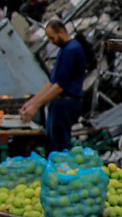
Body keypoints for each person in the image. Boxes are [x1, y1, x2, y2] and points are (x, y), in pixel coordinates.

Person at [19, 18, 86, 153]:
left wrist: (36, 106)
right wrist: (31, 103)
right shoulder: (64, 50)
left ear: (61, 32)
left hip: (66, 102)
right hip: (58, 104)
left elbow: (59, 85)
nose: (51, 41)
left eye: (52, 37)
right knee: (51, 142)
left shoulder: (72, 50)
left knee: (59, 146)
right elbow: (51, 82)